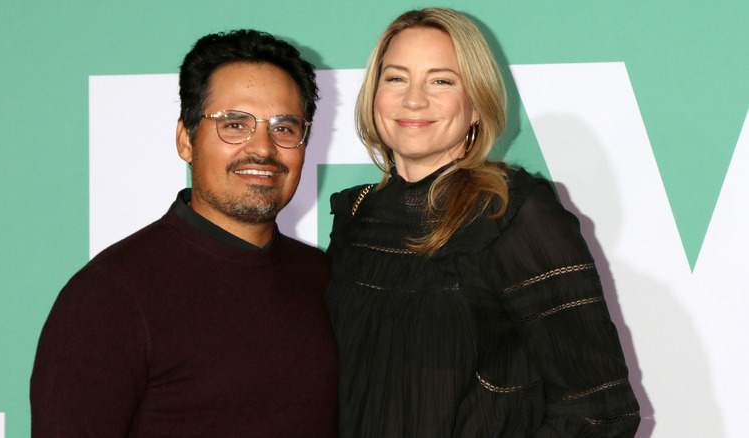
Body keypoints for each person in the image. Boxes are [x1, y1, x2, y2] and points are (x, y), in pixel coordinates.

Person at [327, 8, 640, 437]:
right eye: (396, 78)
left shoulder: (512, 211)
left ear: (476, 104)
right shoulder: (356, 215)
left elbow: (600, 409)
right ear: (374, 95)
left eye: (441, 80)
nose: (413, 99)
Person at [31, 30, 338, 437]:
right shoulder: (109, 297)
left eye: (284, 127)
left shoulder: (324, 278)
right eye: (234, 124)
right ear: (186, 140)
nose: (263, 148)